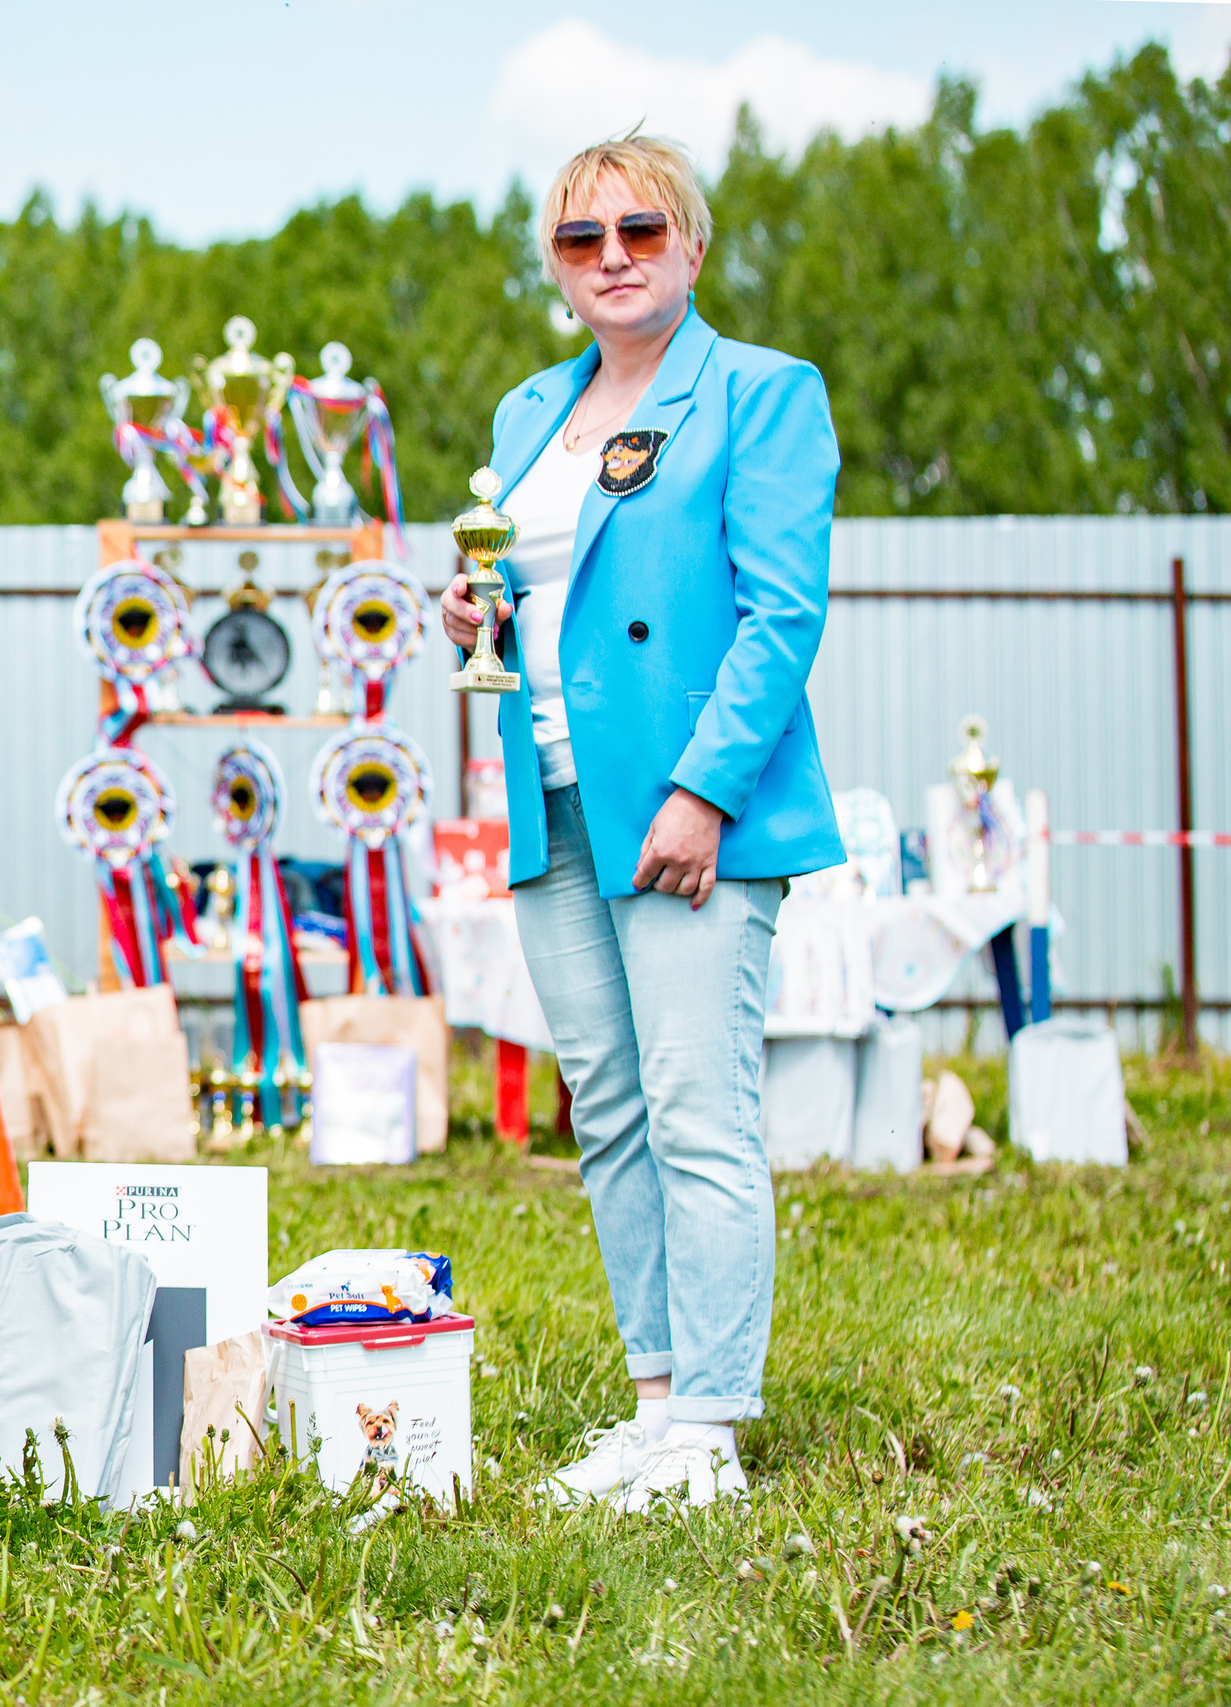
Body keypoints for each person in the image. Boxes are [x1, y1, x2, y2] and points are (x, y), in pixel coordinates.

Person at [441, 134, 844, 1512]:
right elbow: (523, 585)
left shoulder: (764, 397)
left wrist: (704, 791)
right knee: (608, 1108)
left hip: (692, 814)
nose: (611, 255)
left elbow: (782, 614)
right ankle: (657, 1398)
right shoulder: (525, 413)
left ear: (692, 244)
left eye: (640, 228)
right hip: (554, 800)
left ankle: (715, 1430)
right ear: (555, 265)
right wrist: (472, 614)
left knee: (697, 1107)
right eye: (579, 238)